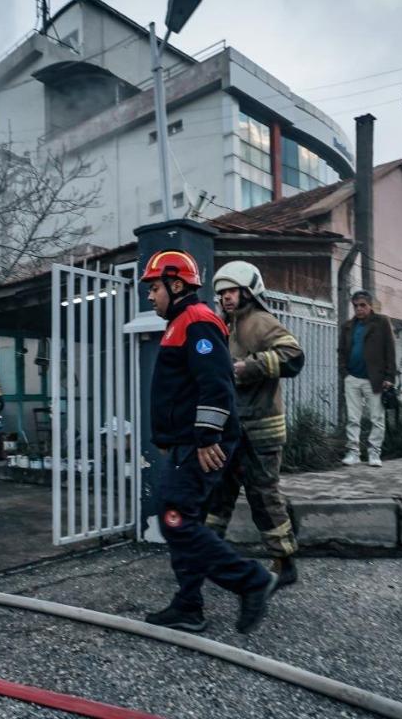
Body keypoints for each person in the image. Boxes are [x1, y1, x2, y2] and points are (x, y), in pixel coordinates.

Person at [140, 249, 278, 634]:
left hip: (200, 444)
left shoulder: (197, 321)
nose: (150, 296)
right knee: (187, 518)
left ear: (177, 284)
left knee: (176, 519)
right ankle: (188, 605)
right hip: (186, 443)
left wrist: (205, 438)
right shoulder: (181, 322)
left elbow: (216, 386)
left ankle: (251, 581)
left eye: (154, 287)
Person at [204, 261, 305, 590]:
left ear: (248, 291)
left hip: (261, 428)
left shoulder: (261, 322)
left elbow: (293, 356)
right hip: (233, 428)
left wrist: (248, 368)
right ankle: (206, 554)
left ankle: (284, 561)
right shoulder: (225, 326)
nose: (226, 298)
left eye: (231, 291)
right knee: (219, 492)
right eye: (221, 294)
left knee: (262, 495)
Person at [337, 290, 397, 467]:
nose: (359, 309)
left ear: (370, 305)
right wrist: (344, 373)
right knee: (353, 419)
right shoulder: (347, 326)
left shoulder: (382, 322)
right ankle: (353, 453)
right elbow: (341, 351)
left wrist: (389, 376)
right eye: (355, 306)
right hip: (352, 378)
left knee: (376, 418)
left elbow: (390, 350)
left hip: (375, 379)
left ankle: (374, 453)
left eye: (362, 305)